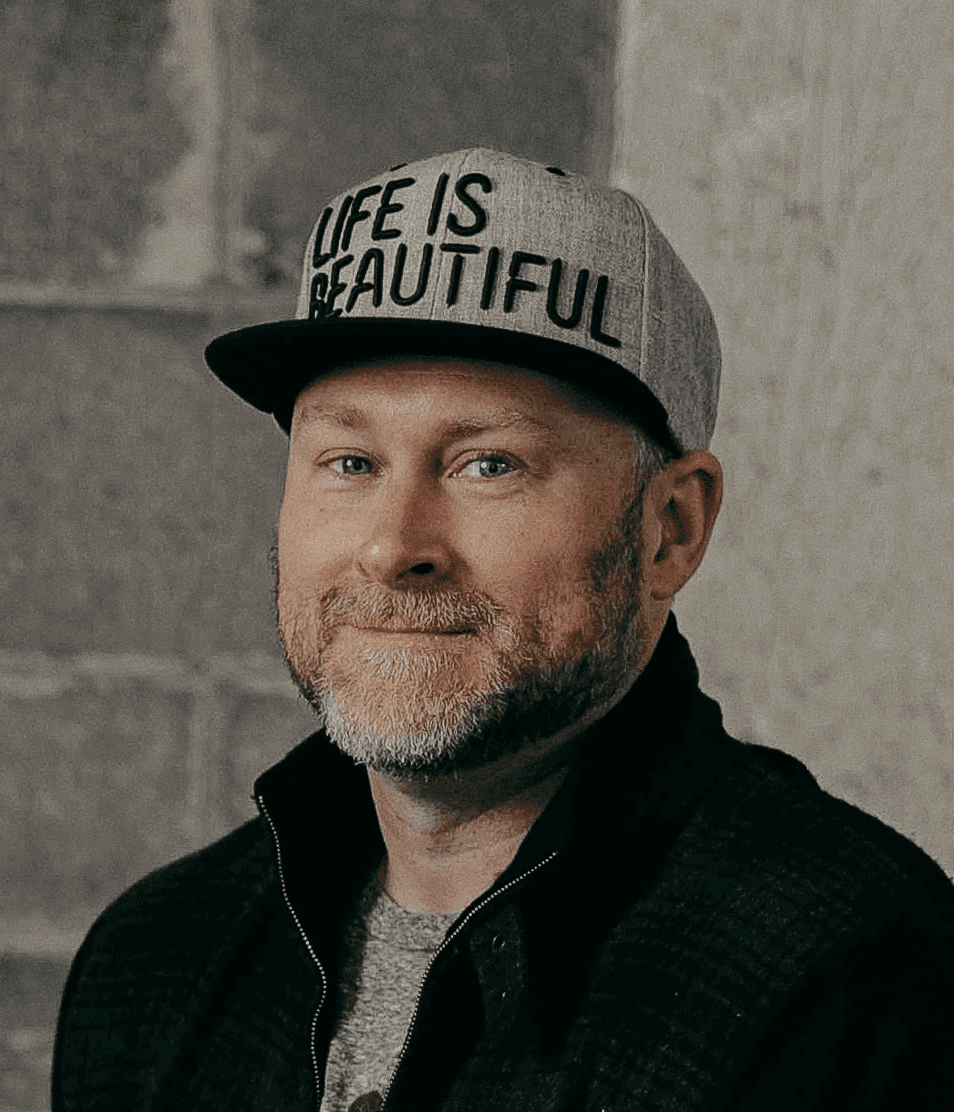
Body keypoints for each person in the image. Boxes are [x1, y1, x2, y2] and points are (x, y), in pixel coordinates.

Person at [53, 149, 952, 1111]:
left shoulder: (858, 975)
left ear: (670, 529)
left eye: (489, 465)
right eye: (349, 461)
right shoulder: (152, 960)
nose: (395, 548)